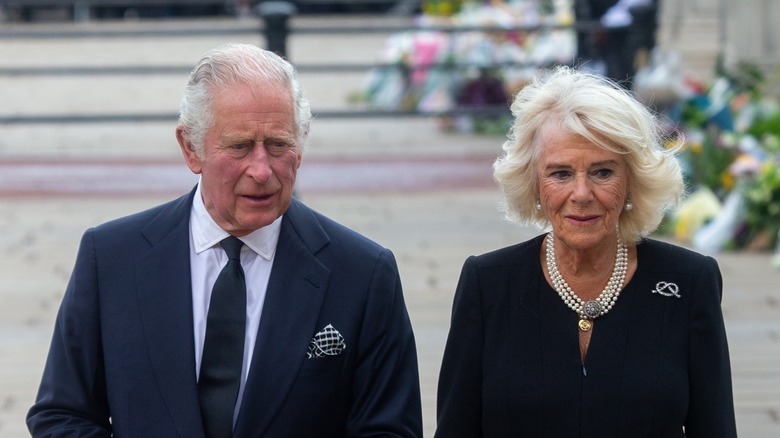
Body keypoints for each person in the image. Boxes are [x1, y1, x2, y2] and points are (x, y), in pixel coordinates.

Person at [27, 43, 423, 437]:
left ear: (300, 148)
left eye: (279, 144)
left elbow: (389, 429)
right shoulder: (111, 257)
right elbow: (61, 415)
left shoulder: (364, 273)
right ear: (191, 149)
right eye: (240, 146)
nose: (262, 169)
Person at [435, 66, 737, 437]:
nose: (581, 194)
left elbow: (716, 428)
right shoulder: (488, 284)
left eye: (603, 172)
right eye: (560, 174)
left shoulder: (688, 282)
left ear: (632, 181)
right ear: (533, 184)